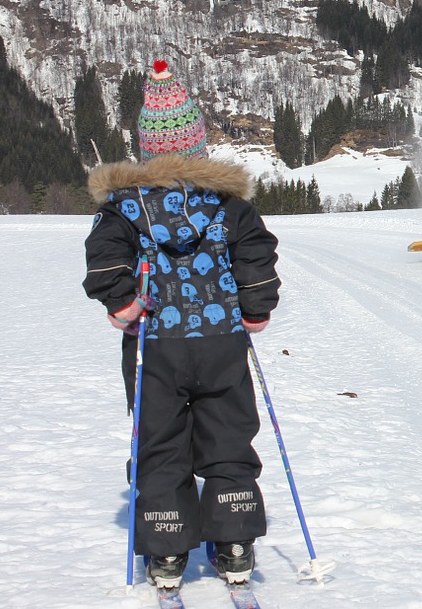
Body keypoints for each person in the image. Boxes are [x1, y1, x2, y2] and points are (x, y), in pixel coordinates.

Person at [83, 60, 280, 588]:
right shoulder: (229, 204)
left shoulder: (126, 206)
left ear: (147, 149)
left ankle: (167, 550)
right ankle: (234, 540)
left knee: (160, 441)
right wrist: (255, 308)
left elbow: (104, 258)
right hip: (221, 343)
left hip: (156, 346)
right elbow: (256, 255)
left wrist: (123, 302)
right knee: (228, 437)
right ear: (196, 144)